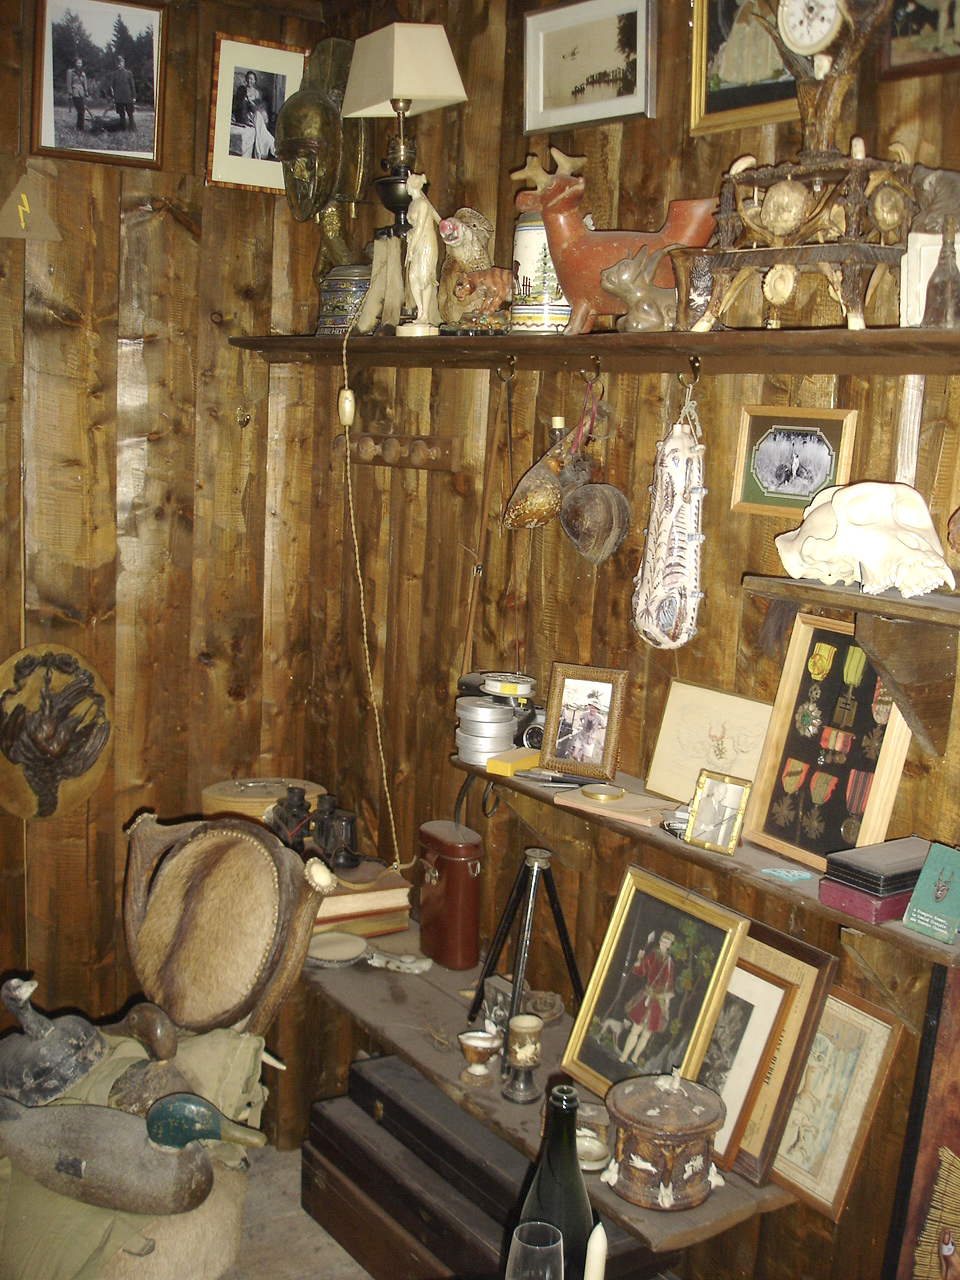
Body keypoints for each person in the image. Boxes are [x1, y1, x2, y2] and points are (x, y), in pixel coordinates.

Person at [619, 929, 676, 1066]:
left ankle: (634, 1058)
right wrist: (639, 959)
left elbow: (669, 984)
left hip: (658, 1002)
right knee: (636, 1029)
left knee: (647, 1034)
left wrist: (667, 1003)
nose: (664, 943)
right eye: (663, 940)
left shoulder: (670, 963)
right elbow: (640, 971)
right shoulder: (652, 956)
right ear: (659, 941)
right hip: (647, 996)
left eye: (667, 942)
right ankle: (624, 1056)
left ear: (670, 945)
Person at [232, 70, 275, 159]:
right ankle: (269, 144)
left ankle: (270, 144)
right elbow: (239, 104)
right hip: (245, 114)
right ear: (246, 79)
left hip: (253, 112)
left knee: (258, 119)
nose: (249, 81)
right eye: (248, 78)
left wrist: (250, 102)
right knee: (258, 123)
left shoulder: (256, 92)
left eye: (251, 79)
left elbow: (257, 107)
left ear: (255, 80)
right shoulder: (242, 90)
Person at [110, 55, 136, 130]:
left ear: (123, 64)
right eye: (118, 64)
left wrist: (134, 97)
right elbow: (112, 87)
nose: (119, 65)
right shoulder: (114, 74)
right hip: (119, 98)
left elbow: (132, 86)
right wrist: (113, 97)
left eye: (120, 63)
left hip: (128, 97)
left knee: (130, 113)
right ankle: (123, 127)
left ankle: (132, 128)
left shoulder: (129, 73)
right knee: (121, 114)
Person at [66, 57, 87, 132]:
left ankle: (80, 126)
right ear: (75, 63)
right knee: (80, 110)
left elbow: (85, 84)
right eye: (78, 63)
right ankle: (80, 127)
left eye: (80, 63)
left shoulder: (83, 74)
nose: (79, 65)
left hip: (81, 93)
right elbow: (68, 83)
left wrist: (86, 93)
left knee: (82, 110)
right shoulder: (70, 72)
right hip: (74, 93)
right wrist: (70, 93)